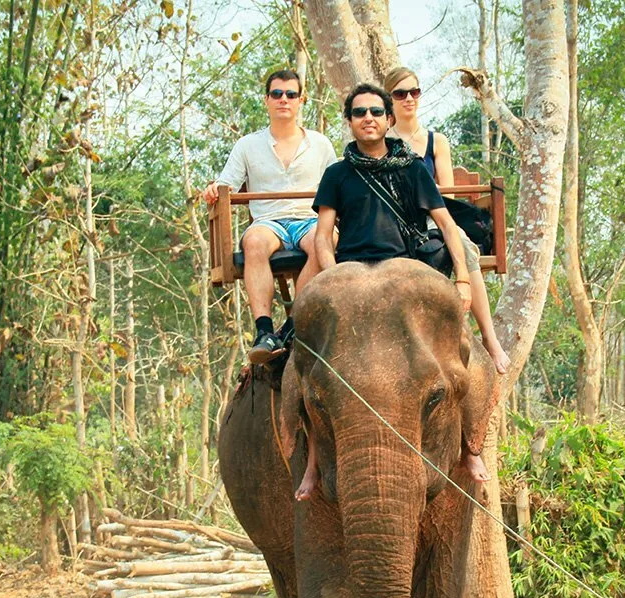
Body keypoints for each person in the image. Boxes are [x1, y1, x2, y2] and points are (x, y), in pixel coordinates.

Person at [298, 83, 489, 501]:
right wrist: (331, 280)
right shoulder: (337, 174)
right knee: (304, 363)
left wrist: (460, 276)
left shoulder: (412, 169)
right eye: (359, 112)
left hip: (408, 273)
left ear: (388, 120)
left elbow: (445, 224)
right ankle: (311, 464)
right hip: (351, 273)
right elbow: (323, 235)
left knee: (463, 355)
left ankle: (470, 448)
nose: (368, 118)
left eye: (376, 112)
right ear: (348, 122)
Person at [204, 68, 338, 365]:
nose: (283, 100)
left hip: (309, 218)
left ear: (301, 100)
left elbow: (337, 183)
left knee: (323, 239)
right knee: (253, 242)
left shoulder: (320, 144)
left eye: (291, 94)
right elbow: (226, 182)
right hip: (269, 221)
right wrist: (215, 187)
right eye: (277, 94)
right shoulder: (248, 145)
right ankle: (264, 330)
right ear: (267, 100)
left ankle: (292, 327)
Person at [384, 66, 510, 375]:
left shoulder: (435, 141)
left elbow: (446, 191)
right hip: (390, 220)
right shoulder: (380, 139)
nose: (408, 99)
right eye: (400, 94)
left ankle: (490, 340)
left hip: (430, 216)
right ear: (390, 99)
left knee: (465, 250)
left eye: (414, 92)